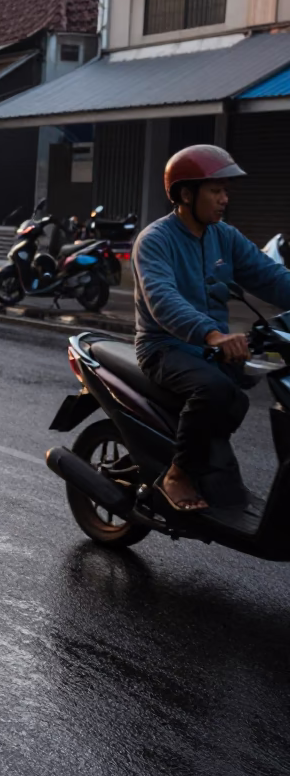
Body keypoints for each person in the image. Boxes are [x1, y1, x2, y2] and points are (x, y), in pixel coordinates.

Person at [134, 145, 290, 512]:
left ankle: (206, 464)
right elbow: (163, 301)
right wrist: (213, 334)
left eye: (225, 191)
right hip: (164, 347)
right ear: (186, 194)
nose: (224, 199)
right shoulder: (155, 240)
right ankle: (177, 473)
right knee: (215, 389)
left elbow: (271, 277)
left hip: (211, 347)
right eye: (215, 191)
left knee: (240, 394)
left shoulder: (225, 236)